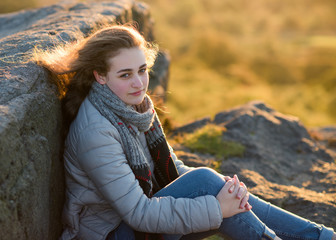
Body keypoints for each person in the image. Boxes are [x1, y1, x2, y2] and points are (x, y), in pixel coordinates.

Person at [38, 24, 336, 240]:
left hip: (144, 217)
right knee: (212, 189)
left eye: (142, 70)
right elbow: (138, 213)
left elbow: (175, 170)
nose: (139, 84)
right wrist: (216, 207)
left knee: (214, 184)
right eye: (125, 74)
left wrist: (224, 192)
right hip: (114, 232)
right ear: (99, 76)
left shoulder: (134, 106)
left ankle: (322, 237)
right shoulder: (96, 132)